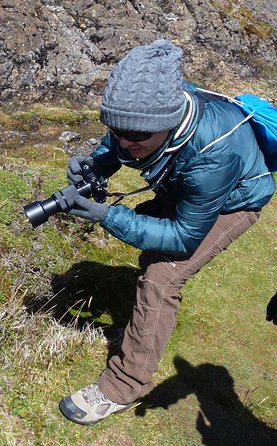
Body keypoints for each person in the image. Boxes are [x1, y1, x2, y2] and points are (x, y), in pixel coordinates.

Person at [58, 39, 276, 426]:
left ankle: (124, 385)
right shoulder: (149, 113)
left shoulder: (214, 151)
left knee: (162, 275)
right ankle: (144, 328)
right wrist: (95, 166)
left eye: (137, 137)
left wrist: (105, 215)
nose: (126, 142)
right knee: (152, 255)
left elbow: (183, 238)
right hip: (189, 187)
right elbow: (121, 144)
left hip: (235, 201)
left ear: (168, 124)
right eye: (116, 129)